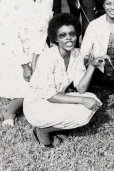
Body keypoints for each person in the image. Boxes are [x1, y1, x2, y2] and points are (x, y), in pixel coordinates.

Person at [23, 13, 102, 148]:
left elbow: (81, 88)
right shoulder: (48, 57)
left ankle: (55, 127)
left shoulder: (77, 55)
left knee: (93, 99)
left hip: (57, 99)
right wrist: (82, 100)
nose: (69, 39)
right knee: (84, 109)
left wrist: (92, 66)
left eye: (72, 34)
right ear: (55, 39)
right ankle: (43, 130)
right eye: (63, 35)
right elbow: (51, 97)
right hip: (37, 104)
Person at [0, 0, 53, 126]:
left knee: (41, 78)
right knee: (24, 83)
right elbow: (9, 34)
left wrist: (35, 58)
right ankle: (10, 112)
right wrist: (25, 64)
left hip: (36, 44)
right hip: (10, 45)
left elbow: (43, 31)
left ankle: (33, 109)